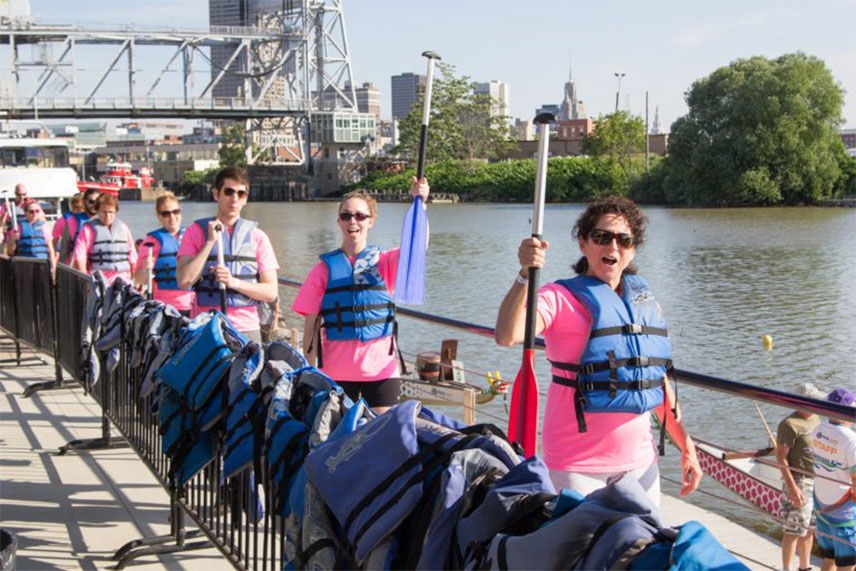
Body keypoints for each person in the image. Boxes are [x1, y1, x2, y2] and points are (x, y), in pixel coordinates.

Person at [494, 195, 701, 505]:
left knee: (639, 553)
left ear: (632, 249)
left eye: (623, 239)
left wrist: (686, 443)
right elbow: (507, 335)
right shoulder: (558, 297)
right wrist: (525, 274)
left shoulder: (644, 303)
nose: (612, 246)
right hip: (576, 465)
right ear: (583, 243)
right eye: (602, 237)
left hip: (641, 464)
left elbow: (652, 380)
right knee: (581, 553)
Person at [292, 178, 430, 413]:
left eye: (360, 216)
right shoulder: (322, 270)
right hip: (335, 375)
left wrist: (421, 204)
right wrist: (309, 374)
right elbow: (310, 329)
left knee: (383, 439)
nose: (352, 221)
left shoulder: (386, 263)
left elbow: (417, 247)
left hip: (381, 373)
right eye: (346, 216)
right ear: (338, 222)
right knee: (339, 442)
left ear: (371, 221)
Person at [175, 166, 279, 343]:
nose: (235, 199)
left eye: (241, 194)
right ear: (217, 194)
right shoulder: (195, 232)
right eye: (229, 192)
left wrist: (234, 282)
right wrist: (209, 242)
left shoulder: (258, 237)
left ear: (246, 199)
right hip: (207, 327)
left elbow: (271, 292)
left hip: (246, 329)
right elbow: (184, 281)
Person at [778, 382, 825, 571]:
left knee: (810, 529)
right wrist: (792, 486)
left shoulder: (816, 419)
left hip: (816, 479)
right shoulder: (789, 424)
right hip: (799, 480)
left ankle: (804, 567)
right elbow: (781, 457)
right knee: (794, 529)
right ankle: (787, 568)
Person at [811, 388, 856, 571]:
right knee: (847, 564)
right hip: (843, 510)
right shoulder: (850, 439)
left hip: (821, 504)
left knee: (829, 558)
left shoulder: (818, 429)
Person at [133, 192, 194, 315]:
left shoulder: (192, 235)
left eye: (175, 212)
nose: (171, 217)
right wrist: (145, 269)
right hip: (163, 306)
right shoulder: (151, 242)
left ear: (180, 212)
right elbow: (139, 279)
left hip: (192, 304)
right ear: (159, 216)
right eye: (166, 214)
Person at [71, 193, 136, 284]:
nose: (107, 216)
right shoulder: (88, 230)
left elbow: (132, 255)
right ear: (97, 211)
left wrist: (135, 277)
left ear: (115, 212)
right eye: (104, 212)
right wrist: (85, 280)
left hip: (124, 279)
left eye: (111, 212)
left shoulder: (123, 228)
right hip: (99, 280)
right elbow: (80, 256)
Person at [6, 199, 57, 273]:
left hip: (42, 265)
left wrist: (54, 270)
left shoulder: (44, 227)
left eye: (37, 211)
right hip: (24, 266)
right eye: (31, 212)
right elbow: (10, 252)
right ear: (25, 213)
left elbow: (51, 251)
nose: (35, 213)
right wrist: (13, 239)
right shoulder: (18, 228)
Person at [53, 193, 90, 263]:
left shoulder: (63, 220)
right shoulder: (92, 219)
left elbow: (55, 241)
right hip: (88, 260)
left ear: (71, 206)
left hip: (72, 261)